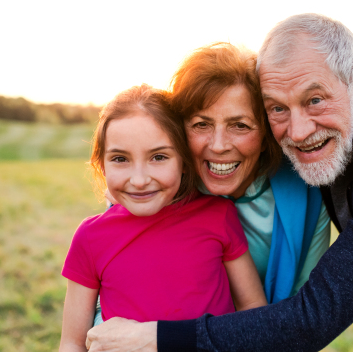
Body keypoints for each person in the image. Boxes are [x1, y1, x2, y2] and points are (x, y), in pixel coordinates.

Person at [85, 14, 353, 352]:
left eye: (314, 99)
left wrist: (157, 339)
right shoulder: (329, 124)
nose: (297, 130)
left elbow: (312, 319)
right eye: (277, 108)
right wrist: (139, 180)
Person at [85, 43, 332, 349]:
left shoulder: (306, 197)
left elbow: (304, 313)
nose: (218, 146)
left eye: (240, 125)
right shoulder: (154, 191)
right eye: (201, 124)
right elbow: (111, 297)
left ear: (266, 131)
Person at [58, 84, 267, 351]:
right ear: (101, 165)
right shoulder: (89, 237)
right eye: (120, 159)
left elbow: (252, 308)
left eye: (159, 157)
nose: (140, 180)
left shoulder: (218, 215)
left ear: (183, 161)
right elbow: (72, 343)